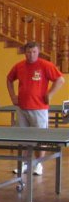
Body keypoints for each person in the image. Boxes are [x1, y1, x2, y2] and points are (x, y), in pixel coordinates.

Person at [6, 42, 65, 176]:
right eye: (28, 52)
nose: (31, 54)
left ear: (38, 52)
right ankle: (24, 163)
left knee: (40, 138)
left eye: (34, 52)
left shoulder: (45, 65)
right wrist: (12, 96)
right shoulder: (19, 66)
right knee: (23, 138)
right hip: (22, 108)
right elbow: (9, 79)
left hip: (39, 108)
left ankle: (38, 164)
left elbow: (60, 80)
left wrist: (50, 94)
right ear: (25, 53)